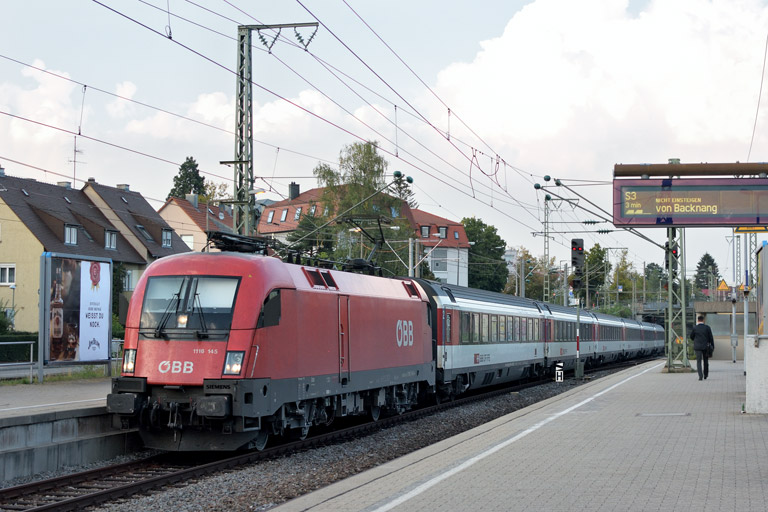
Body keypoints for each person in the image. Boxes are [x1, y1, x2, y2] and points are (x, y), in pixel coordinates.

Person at [689, 314, 715, 381]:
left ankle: (700, 376)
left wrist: (695, 340)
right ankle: (705, 375)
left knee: (699, 361)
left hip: (697, 347)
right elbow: (711, 338)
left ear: (698, 320)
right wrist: (712, 345)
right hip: (705, 347)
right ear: (703, 320)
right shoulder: (707, 328)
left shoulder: (695, 328)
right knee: (705, 361)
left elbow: (691, 336)